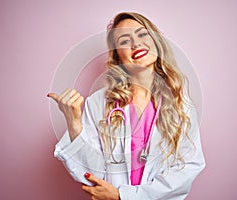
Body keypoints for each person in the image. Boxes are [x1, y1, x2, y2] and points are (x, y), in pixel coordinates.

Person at [47, 12, 205, 200]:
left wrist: (123, 196)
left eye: (142, 34)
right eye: (124, 40)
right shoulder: (98, 103)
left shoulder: (181, 105)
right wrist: (74, 124)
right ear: (118, 56)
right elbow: (90, 173)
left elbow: (186, 170)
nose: (136, 44)